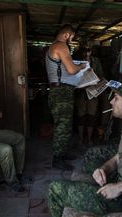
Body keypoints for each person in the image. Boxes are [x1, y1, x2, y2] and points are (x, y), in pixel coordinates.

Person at [48, 82, 122, 216]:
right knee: (93, 160)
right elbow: (120, 157)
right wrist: (105, 168)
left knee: (55, 189)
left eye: (116, 98)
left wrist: (119, 187)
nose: (111, 102)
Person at [45, 24, 86, 170]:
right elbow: (71, 69)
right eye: (72, 37)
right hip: (61, 92)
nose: (72, 40)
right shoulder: (62, 46)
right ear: (67, 35)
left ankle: (61, 154)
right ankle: (58, 159)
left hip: (58, 91)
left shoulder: (53, 46)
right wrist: (81, 66)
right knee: (63, 126)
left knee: (63, 125)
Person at [74, 47, 104, 146]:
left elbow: (101, 75)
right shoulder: (76, 61)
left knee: (91, 115)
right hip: (80, 92)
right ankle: (80, 139)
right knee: (80, 116)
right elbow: (72, 75)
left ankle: (90, 139)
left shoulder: (96, 61)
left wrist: (94, 77)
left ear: (91, 51)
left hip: (92, 92)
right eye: (84, 51)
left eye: (88, 51)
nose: (86, 53)